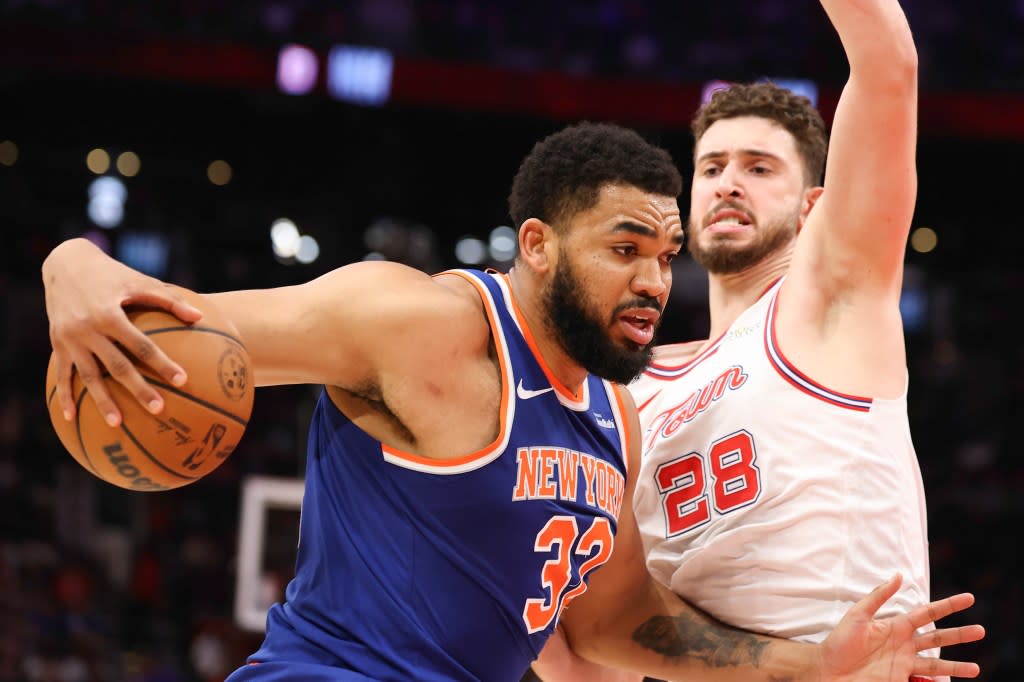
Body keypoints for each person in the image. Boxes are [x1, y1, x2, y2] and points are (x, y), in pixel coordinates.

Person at [42, 121, 982, 682]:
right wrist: (70, 265)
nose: (655, 281)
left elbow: (619, 623)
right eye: (624, 250)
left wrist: (811, 664)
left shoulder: (616, 420)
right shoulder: (412, 320)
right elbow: (189, 327)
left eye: (664, 257)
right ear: (536, 245)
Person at [532, 1, 959, 682]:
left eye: (759, 168)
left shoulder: (831, 300)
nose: (729, 180)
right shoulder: (618, 392)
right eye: (712, 167)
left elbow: (887, 64)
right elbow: (595, 648)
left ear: (817, 205)